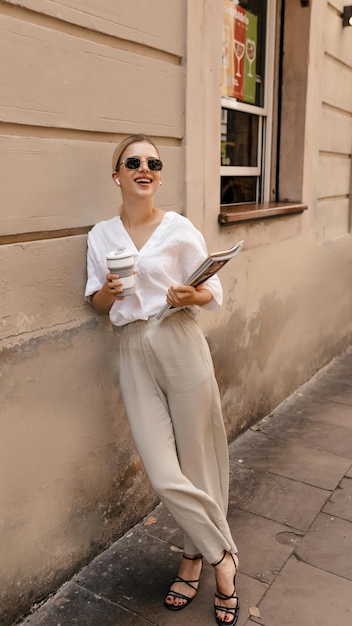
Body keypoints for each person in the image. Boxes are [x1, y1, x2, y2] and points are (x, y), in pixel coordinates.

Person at [85, 134, 239, 626]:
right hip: (132, 346)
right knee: (161, 469)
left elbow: (212, 290)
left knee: (199, 459)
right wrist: (108, 293)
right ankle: (224, 555)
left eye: (153, 162)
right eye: (133, 162)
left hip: (178, 338)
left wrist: (186, 296)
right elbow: (96, 302)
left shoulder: (178, 228)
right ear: (117, 175)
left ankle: (195, 559)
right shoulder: (101, 235)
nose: (144, 168)